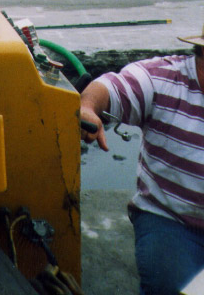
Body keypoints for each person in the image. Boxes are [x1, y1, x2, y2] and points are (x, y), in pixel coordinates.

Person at [80, 28, 204, 295]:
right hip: (171, 218)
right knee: (174, 287)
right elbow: (112, 88)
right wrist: (88, 107)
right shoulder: (166, 78)